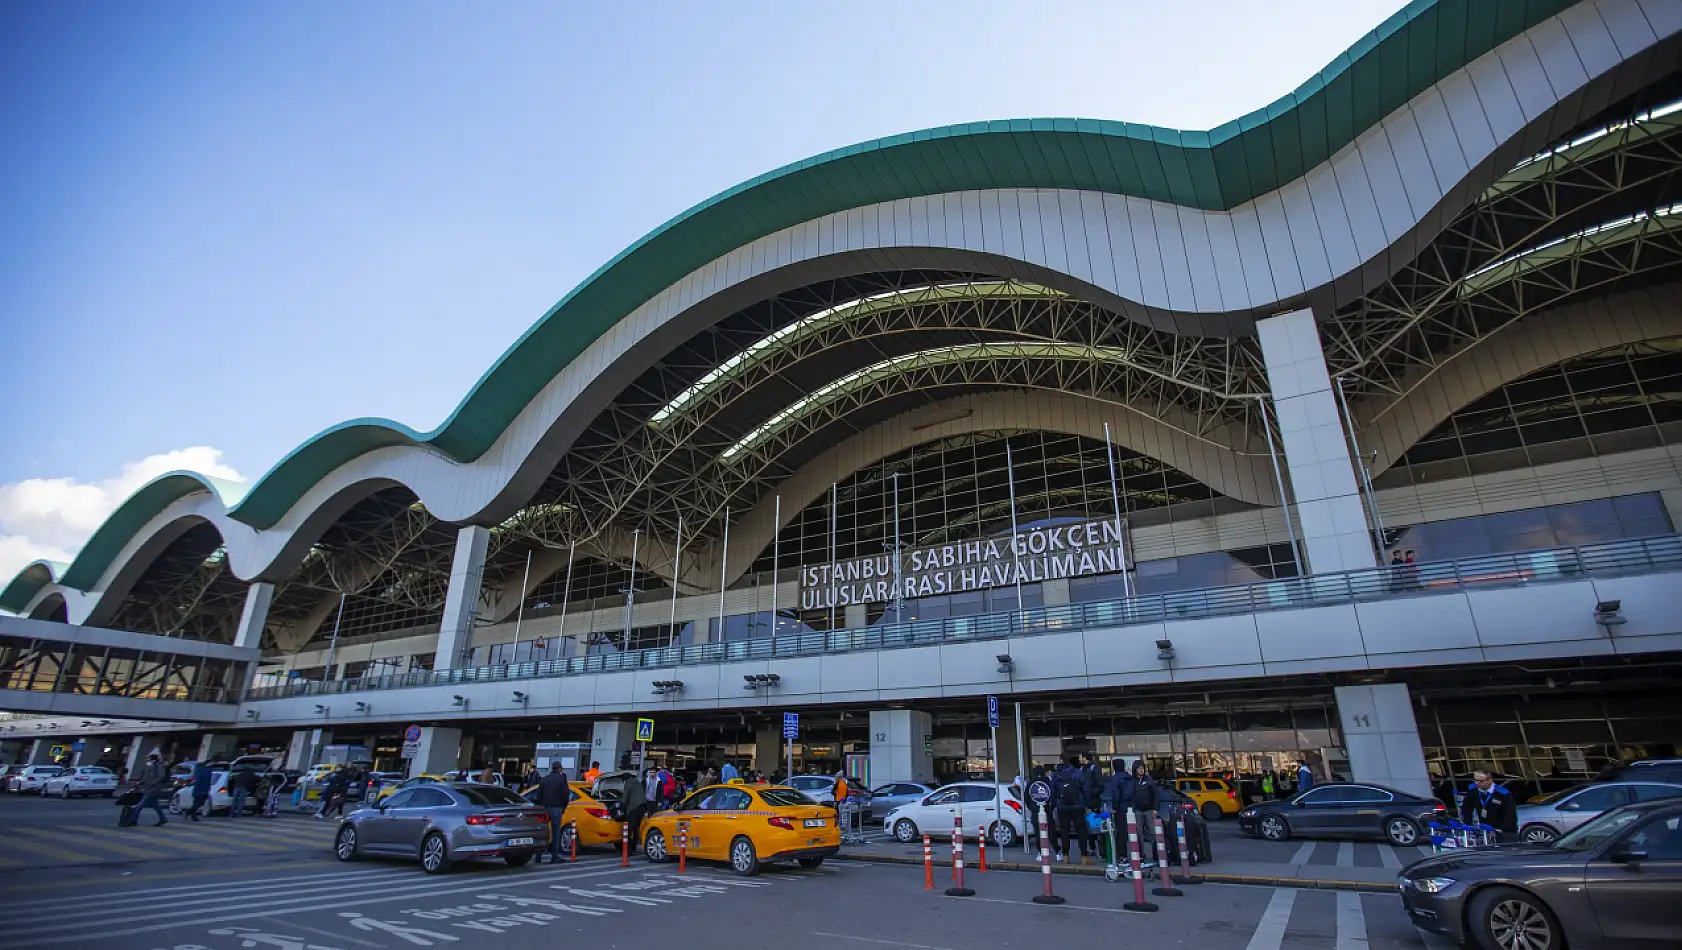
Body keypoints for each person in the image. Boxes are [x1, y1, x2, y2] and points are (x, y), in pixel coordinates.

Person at [1051, 756, 1090, 862]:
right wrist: (1087, 804)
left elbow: (1053, 792)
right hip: (1078, 805)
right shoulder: (1078, 773)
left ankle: (1066, 856)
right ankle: (1084, 856)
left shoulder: (1056, 775)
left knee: (1064, 832)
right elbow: (1085, 790)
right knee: (1081, 831)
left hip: (1062, 807)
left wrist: (1054, 805)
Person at [1459, 770, 1517, 841]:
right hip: (1485, 831)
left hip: (1504, 831)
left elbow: (1511, 812)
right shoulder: (1473, 791)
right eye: (1475, 780)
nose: (1477, 783)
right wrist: (1469, 824)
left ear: (1489, 780)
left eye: (1481, 781)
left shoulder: (1503, 793)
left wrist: (1502, 829)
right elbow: (1466, 808)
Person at [536, 763, 574, 864]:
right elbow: (565, 794)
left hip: (544, 808)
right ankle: (554, 856)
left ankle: (538, 856)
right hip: (556, 808)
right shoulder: (562, 779)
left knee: (542, 832)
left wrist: (541, 805)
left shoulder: (544, 779)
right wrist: (564, 806)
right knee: (556, 832)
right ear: (560, 769)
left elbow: (538, 795)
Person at [130, 751, 170, 827]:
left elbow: (161, 776)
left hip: (153, 789)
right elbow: (146, 777)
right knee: (155, 805)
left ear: (153, 759)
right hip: (148, 788)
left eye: (149, 758)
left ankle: (133, 820)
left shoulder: (159, 766)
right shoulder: (151, 766)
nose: (147, 760)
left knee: (139, 805)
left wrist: (152, 783)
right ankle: (163, 818)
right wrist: (139, 782)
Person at [620, 764, 648, 851]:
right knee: (636, 829)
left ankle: (627, 850)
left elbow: (625, 799)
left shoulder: (628, 784)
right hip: (642, 808)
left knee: (628, 829)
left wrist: (622, 808)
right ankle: (634, 847)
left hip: (633, 808)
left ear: (625, 779)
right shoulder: (638, 783)